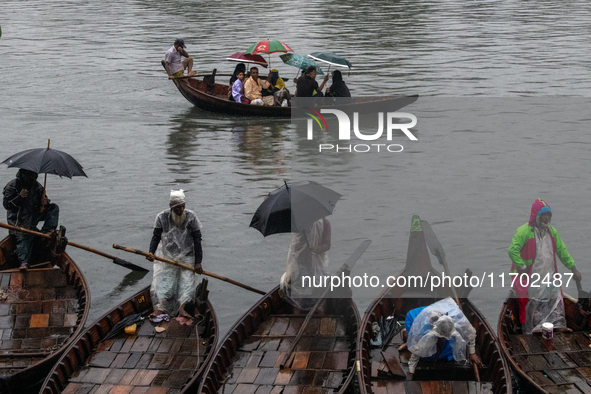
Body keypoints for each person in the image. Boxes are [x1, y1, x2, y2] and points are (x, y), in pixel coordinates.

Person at [508, 198, 582, 334]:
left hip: (549, 273)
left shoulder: (552, 232)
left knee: (555, 298)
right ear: (536, 215)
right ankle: (533, 328)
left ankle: (558, 324)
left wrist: (573, 268)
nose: (546, 218)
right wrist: (523, 268)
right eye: (543, 215)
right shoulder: (524, 231)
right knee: (533, 302)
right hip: (530, 274)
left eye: (548, 215)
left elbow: (562, 251)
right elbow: (513, 251)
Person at [146, 190, 203, 321]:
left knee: (186, 282)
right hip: (168, 256)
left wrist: (198, 262)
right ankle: (160, 308)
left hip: (187, 256)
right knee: (164, 281)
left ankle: (182, 309)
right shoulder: (162, 217)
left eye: (183, 206)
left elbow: (197, 239)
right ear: (171, 207)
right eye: (178, 207)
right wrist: (151, 252)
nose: (181, 210)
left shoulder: (191, 216)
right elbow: (156, 237)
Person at [401, 297, 482, 380]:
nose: (443, 339)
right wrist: (411, 373)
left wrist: (472, 353)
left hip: (442, 316)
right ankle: (407, 336)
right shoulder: (424, 331)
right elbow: (416, 352)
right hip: (418, 318)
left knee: (446, 353)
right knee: (416, 342)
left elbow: (471, 334)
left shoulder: (457, 318)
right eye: (441, 337)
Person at [3, 169, 59, 270]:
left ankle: (46, 232)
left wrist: (44, 202)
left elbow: (43, 204)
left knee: (54, 208)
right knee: (24, 238)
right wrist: (19, 197)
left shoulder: (37, 186)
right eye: (30, 174)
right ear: (23, 173)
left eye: (34, 174)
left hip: (32, 218)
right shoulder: (12, 186)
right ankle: (24, 263)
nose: (33, 176)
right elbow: (7, 205)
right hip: (18, 222)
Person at [280, 218, 331, 309]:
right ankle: (298, 311)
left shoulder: (324, 223)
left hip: (317, 263)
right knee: (299, 293)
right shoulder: (300, 225)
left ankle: (317, 311)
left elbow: (327, 244)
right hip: (301, 264)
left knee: (318, 292)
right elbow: (296, 246)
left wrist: (316, 249)